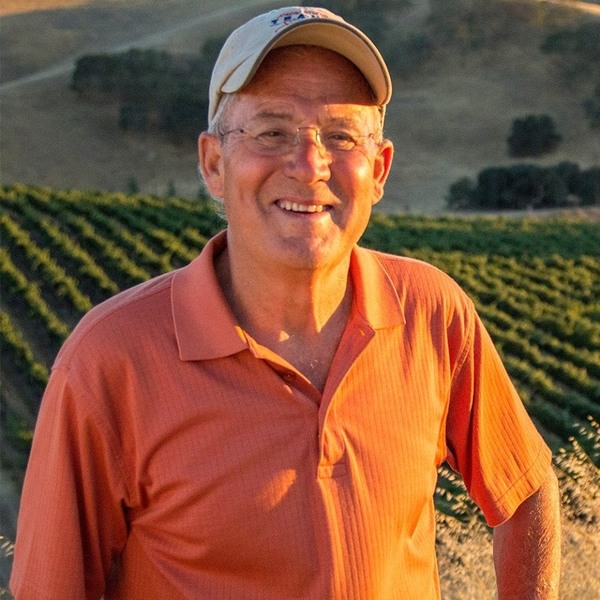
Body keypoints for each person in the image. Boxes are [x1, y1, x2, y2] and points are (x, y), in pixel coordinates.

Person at [10, 6, 561, 599]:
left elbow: (526, 490)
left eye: (341, 136)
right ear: (214, 164)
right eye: (272, 132)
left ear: (378, 169)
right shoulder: (111, 360)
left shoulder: (431, 312)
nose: (308, 165)